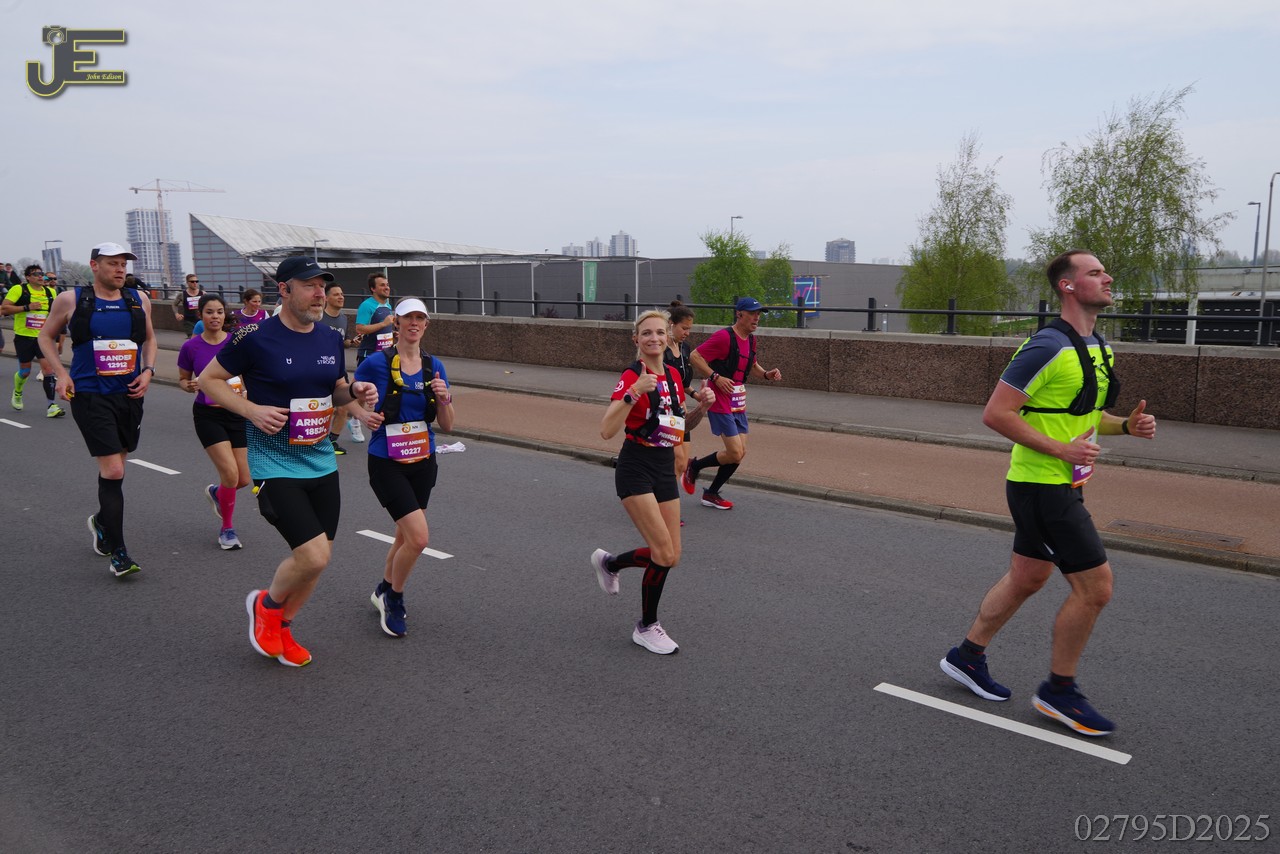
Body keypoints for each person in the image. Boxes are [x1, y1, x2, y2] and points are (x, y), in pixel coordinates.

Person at [939, 250, 1157, 738]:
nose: (1108, 277)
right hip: (1041, 486)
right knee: (1096, 588)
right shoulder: (1046, 347)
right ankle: (1059, 691)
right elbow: (996, 413)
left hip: (1065, 484)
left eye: (1105, 271)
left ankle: (966, 657)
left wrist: (1126, 426)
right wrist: (1062, 450)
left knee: (1028, 576)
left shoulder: (1097, 345)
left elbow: (1085, 415)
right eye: (1095, 272)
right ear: (1068, 286)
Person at [198, 255, 377, 668]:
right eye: (310, 286)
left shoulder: (329, 337)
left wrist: (355, 392)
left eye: (322, 287)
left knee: (317, 563)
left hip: (321, 462)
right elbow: (209, 380)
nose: (319, 294)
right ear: (284, 289)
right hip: (273, 462)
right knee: (313, 556)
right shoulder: (254, 337)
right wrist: (251, 411)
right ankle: (265, 605)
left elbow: (335, 388)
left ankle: (284, 626)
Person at [591, 310, 715, 654]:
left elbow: (679, 426)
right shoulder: (633, 375)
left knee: (672, 556)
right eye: (647, 333)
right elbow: (606, 430)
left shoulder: (673, 375)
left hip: (663, 467)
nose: (654, 338)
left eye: (660, 332)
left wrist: (702, 409)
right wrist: (633, 393)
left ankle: (610, 563)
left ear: (667, 337)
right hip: (636, 467)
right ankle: (646, 626)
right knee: (662, 552)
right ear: (637, 339)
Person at [38, 243, 158, 577]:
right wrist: (61, 374)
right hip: (89, 394)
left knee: (118, 466)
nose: (120, 269)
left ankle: (102, 522)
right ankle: (119, 554)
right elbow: (45, 337)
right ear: (94, 265)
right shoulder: (72, 300)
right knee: (114, 471)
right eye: (113, 263)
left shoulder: (138, 299)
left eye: (123, 264)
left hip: (129, 394)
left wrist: (148, 371)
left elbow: (149, 339)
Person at [353, 298, 454, 638]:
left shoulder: (434, 366)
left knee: (403, 535)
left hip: (423, 459)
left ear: (426, 324)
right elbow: (345, 395)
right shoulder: (375, 363)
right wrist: (363, 413)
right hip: (387, 460)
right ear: (395, 322)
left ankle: (383, 587)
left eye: (419, 318)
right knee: (419, 538)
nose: (414, 323)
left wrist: (444, 398)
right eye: (407, 317)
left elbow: (448, 425)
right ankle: (394, 598)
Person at [684, 297, 782, 509]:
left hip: (738, 400)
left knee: (739, 453)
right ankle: (695, 466)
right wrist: (716, 376)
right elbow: (695, 356)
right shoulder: (724, 337)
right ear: (739, 314)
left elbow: (752, 365)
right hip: (720, 400)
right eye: (752, 313)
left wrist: (767, 374)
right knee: (735, 452)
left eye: (759, 314)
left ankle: (711, 493)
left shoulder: (751, 340)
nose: (757, 318)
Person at [177, 294, 251, 550]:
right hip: (208, 415)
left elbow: (246, 373)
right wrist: (188, 385)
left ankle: (217, 493)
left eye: (219, 311)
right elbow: (183, 379)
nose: (215, 316)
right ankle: (227, 530)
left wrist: (247, 392)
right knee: (230, 474)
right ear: (200, 315)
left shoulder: (236, 342)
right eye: (209, 312)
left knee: (243, 479)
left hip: (237, 413)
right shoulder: (191, 347)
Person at [3, 264, 64, 417]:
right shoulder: (19, 289)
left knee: (48, 371)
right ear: (28, 277)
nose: (40, 276)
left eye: (42, 274)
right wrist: (27, 307)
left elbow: (56, 314)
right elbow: (4, 309)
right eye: (36, 274)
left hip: (44, 338)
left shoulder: (50, 292)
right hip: (24, 337)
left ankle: (51, 406)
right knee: (25, 371)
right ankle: (18, 392)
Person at [318, 282, 365, 452]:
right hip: (318, 369)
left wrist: (351, 342)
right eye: (336, 294)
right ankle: (315, 440)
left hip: (338, 369)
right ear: (326, 298)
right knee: (321, 409)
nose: (341, 297)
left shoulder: (343, 319)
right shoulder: (318, 317)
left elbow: (343, 342)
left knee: (344, 407)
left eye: (342, 294)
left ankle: (332, 441)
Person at [664, 300, 698, 492]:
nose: (687, 333)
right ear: (671, 324)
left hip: (680, 411)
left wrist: (695, 395)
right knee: (674, 460)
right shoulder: (660, 349)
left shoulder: (684, 348)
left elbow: (682, 383)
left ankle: (664, 497)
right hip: (664, 412)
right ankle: (664, 500)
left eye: (689, 329)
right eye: (684, 328)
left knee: (683, 463)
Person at [354, 273, 394, 365]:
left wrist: (392, 333)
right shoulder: (366, 305)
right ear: (373, 289)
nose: (387, 287)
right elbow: (360, 329)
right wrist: (383, 324)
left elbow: (381, 328)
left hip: (385, 355)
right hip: (369, 356)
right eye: (382, 285)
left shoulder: (388, 306)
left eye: (387, 285)